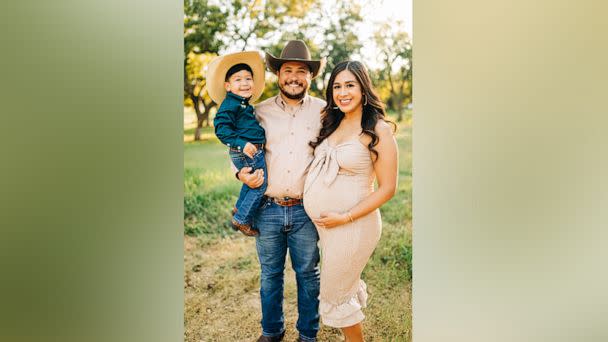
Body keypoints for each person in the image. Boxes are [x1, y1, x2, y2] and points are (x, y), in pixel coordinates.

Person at [236, 40, 326, 342]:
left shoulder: (325, 112)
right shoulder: (258, 112)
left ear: (310, 76)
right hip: (267, 208)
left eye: (302, 71)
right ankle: (272, 332)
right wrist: (240, 173)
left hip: (306, 209)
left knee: (308, 276)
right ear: (278, 74)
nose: (294, 77)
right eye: (288, 70)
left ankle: (308, 335)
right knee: (270, 276)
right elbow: (237, 147)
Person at [303, 61, 399, 342]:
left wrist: (345, 217)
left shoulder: (378, 130)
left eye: (349, 85)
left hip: (353, 225)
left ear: (363, 88)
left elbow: (388, 188)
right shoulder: (332, 122)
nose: (342, 92)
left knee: (336, 293)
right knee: (342, 285)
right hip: (328, 227)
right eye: (337, 86)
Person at [207, 51, 267, 236]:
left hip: (249, 150)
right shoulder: (229, 104)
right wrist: (242, 144)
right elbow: (221, 128)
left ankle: (238, 208)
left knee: (250, 183)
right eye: (238, 80)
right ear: (228, 86)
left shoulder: (242, 104)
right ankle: (242, 219)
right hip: (246, 151)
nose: (244, 83)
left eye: (248, 79)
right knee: (260, 185)